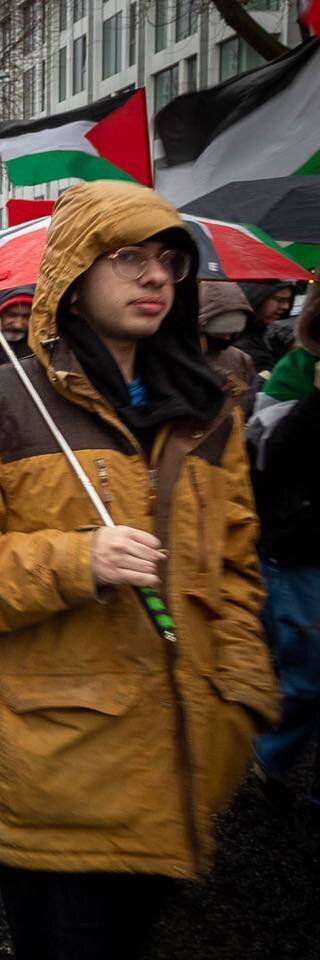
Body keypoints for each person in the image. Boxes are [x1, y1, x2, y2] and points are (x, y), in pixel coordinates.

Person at [0, 180, 279, 960]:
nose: (155, 275)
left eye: (169, 260)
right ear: (74, 274)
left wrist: (241, 690)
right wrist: (78, 559)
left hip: (184, 764)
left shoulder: (206, 409)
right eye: (128, 257)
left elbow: (235, 565)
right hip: (59, 777)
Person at [247, 283, 320, 814]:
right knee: (308, 673)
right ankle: (269, 755)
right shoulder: (294, 374)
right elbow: (266, 458)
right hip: (300, 549)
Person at [198, 281, 257, 416]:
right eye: (218, 332)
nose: (226, 338)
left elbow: (249, 406)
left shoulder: (242, 359)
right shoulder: (181, 358)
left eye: (233, 333)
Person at [235, 281, 296, 375]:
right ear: (258, 297)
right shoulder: (236, 339)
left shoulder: (268, 333)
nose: (286, 306)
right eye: (279, 300)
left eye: (289, 301)